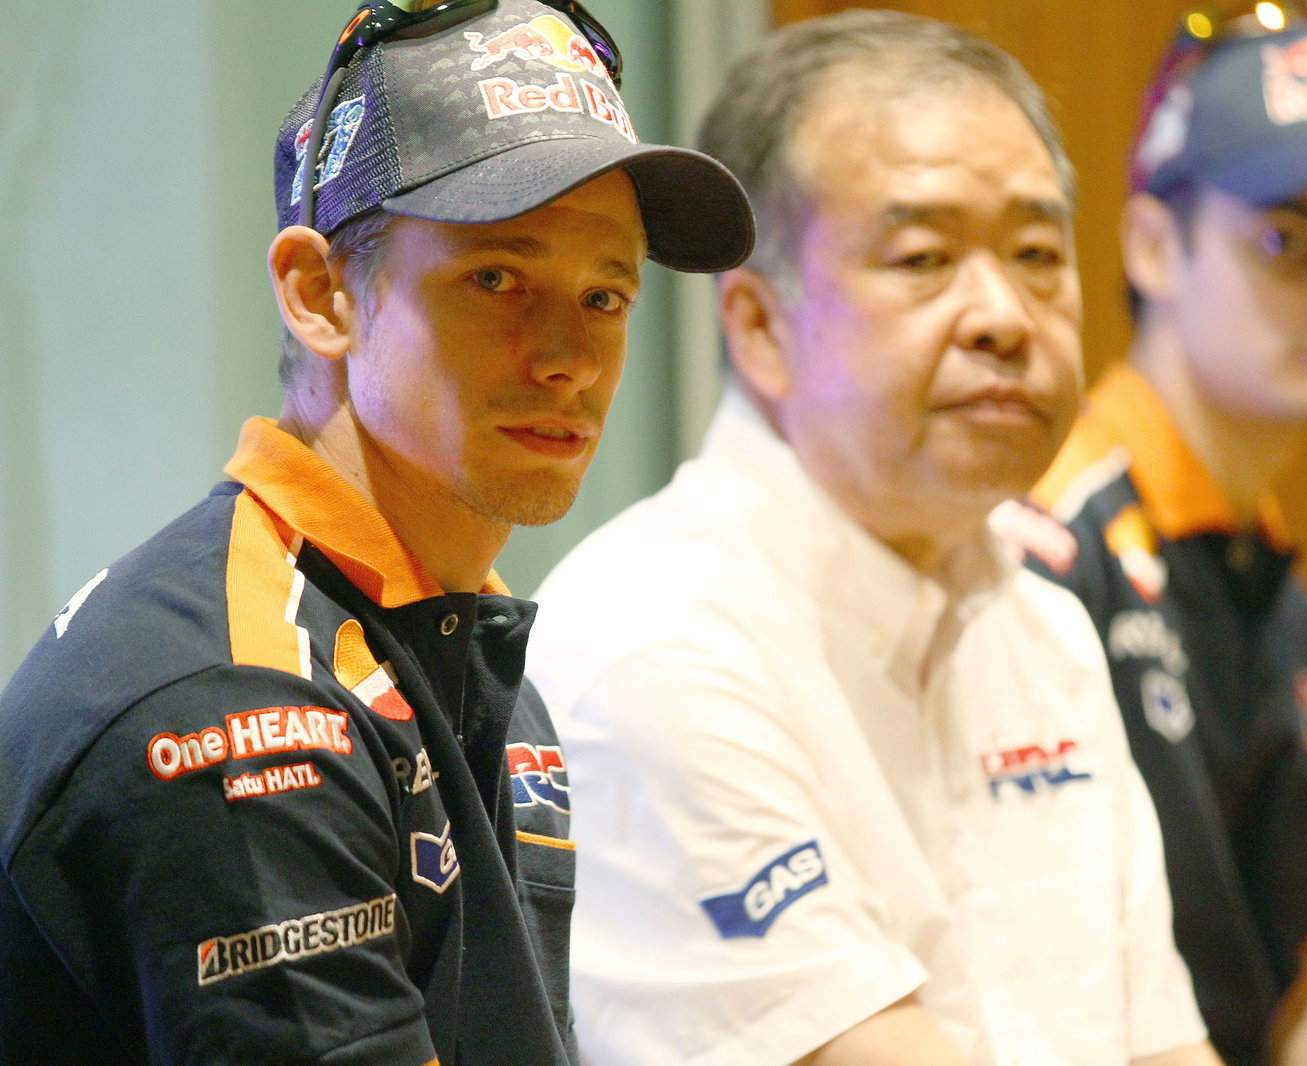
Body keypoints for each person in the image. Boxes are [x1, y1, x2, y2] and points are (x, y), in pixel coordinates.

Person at [0, 0, 752, 1061]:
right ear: (319, 294)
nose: (569, 358)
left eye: (605, 295)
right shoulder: (246, 709)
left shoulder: (456, 642)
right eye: (497, 278)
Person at [526, 11, 1221, 1066]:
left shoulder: (1048, 631)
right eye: (923, 256)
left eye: (1037, 253)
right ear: (759, 326)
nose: (1002, 314)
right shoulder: (652, 643)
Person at [996, 4, 1307, 1065]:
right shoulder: (1042, 552)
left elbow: (1296, 1005)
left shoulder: (1290, 621)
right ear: (1154, 244)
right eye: (1286, 240)